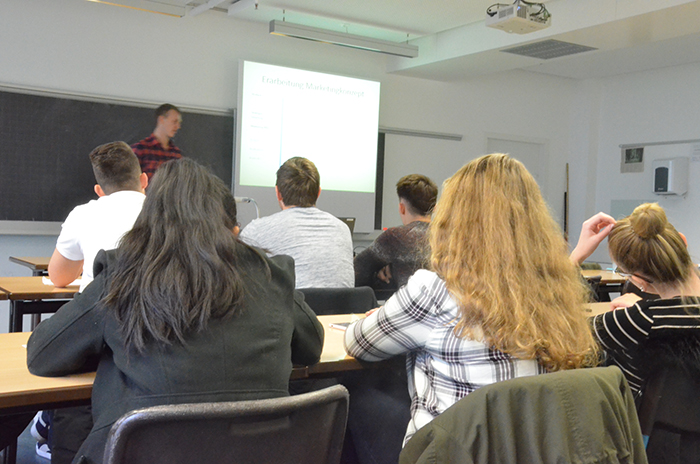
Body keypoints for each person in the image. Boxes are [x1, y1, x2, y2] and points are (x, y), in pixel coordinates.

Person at [26, 158, 324, 464]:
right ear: (229, 224)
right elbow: (312, 348)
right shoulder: (270, 273)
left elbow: (42, 354)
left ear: (149, 218)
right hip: (260, 454)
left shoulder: (123, 273)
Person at [344, 153, 599, 446]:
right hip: (529, 450)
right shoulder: (557, 293)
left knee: (358, 395)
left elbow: (359, 344)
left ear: (456, 219)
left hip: (452, 452)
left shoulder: (436, 290)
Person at [582, 203, 700, 398]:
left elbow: (560, 334)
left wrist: (577, 255)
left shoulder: (637, 321)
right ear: (682, 241)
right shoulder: (645, 316)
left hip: (636, 427)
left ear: (636, 279)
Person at [239, 157, 354, 288]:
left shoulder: (256, 230)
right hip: (342, 309)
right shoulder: (343, 229)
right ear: (318, 193)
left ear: (278, 193)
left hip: (289, 308)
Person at [48, 141, 147, 293]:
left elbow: (58, 277)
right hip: (157, 312)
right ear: (144, 180)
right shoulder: (168, 211)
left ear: (99, 191)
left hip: (98, 311)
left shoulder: (82, 215)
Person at [354, 174, 437, 292]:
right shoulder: (451, 236)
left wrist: (379, 272)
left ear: (402, 208)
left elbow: (357, 272)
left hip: (410, 308)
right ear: (435, 208)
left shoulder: (395, 237)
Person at [131, 103, 182, 180]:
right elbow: (129, 181)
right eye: (174, 122)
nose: (178, 126)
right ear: (161, 119)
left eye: (179, 123)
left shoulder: (176, 154)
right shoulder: (141, 149)